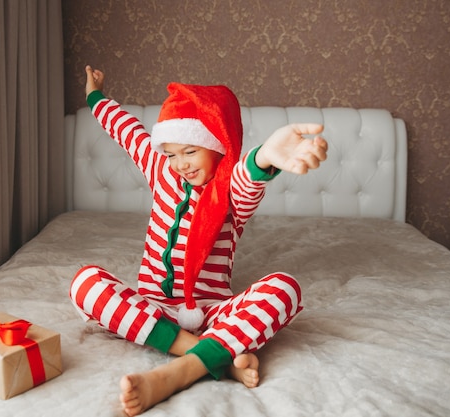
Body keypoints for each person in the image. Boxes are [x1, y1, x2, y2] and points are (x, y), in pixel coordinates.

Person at [69, 65, 328, 416]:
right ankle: (213, 357)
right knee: (85, 283)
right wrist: (94, 94)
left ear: (218, 147)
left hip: (213, 313)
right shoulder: (162, 171)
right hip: (153, 308)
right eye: (172, 153)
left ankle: (176, 374)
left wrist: (265, 157)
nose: (180, 165)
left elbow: (247, 179)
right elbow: (124, 129)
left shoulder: (230, 194)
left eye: (190, 152)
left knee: (286, 288)